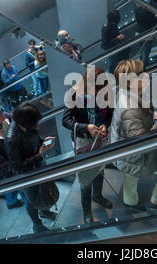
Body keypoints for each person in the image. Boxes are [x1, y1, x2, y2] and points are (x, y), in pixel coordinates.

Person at [110, 59, 157, 211]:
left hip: (124, 149)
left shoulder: (129, 91)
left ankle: (131, 205)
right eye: (140, 75)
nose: (146, 76)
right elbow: (141, 140)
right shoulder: (130, 108)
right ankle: (156, 202)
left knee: (130, 180)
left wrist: (153, 117)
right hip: (133, 154)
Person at [62, 66, 114, 224]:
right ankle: (86, 211)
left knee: (100, 168)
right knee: (85, 177)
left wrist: (105, 124)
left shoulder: (105, 90)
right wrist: (86, 127)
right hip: (83, 139)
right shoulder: (74, 93)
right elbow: (65, 120)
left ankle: (97, 196)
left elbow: (109, 112)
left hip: (100, 137)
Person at [5, 103, 57, 233]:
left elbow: (34, 139)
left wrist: (42, 142)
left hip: (37, 166)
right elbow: (18, 167)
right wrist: (39, 155)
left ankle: (45, 211)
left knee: (43, 190)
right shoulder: (12, 139)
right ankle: (37, 225)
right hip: (27, 175)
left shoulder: (27, 127)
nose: (37, 125)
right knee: (31, 200)